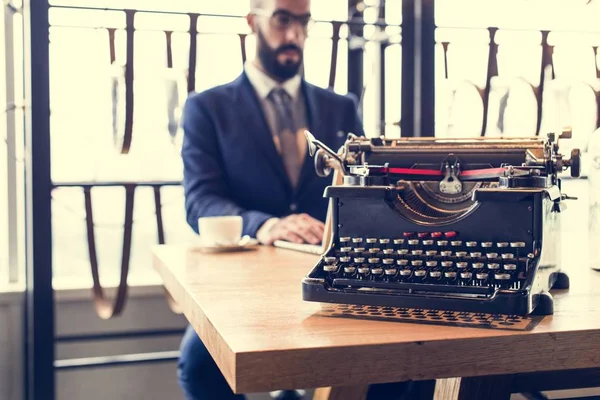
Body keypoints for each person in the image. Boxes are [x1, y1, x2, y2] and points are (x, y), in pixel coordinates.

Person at [177, 0, 415, 399]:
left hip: (332, 271)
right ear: (253, 21)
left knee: (400, 363)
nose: (294, 35)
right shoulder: (206, 108)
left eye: (303, 22)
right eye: (282, 20)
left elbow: (362, 191)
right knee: (200, 367)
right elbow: (200, 200)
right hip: (243, 283)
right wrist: (266, 225)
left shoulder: (341, 107)